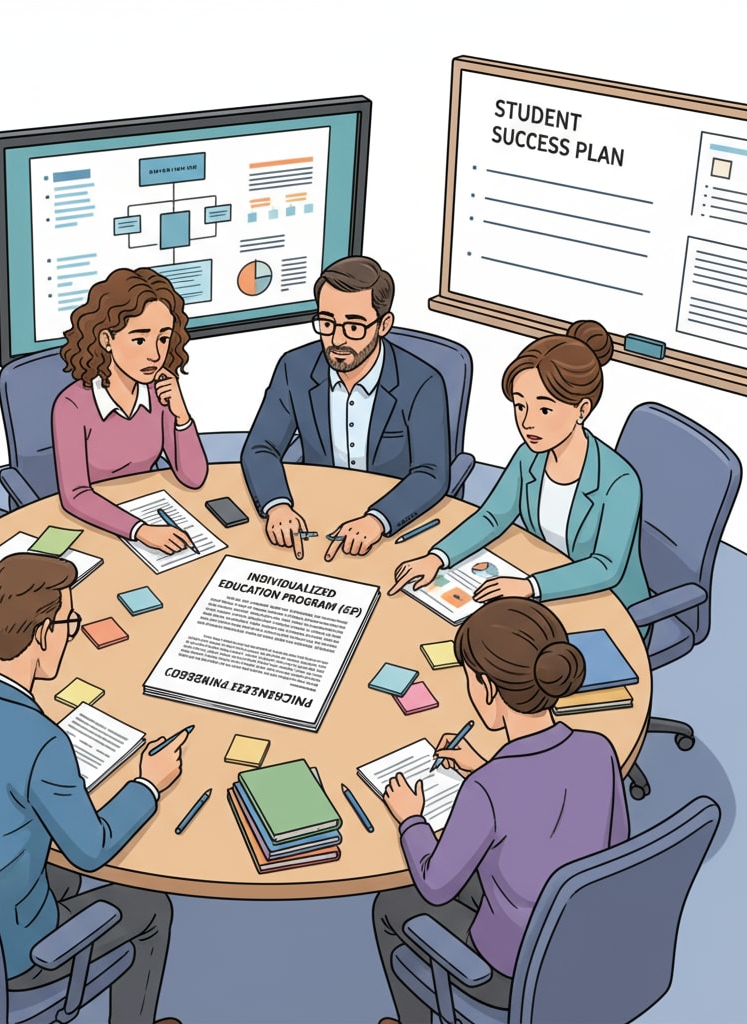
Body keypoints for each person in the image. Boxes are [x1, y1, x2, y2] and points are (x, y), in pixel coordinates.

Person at [0, 552, 185, 1024]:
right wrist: (147, 785)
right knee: (152, 907)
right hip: (12, 952)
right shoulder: (43, 740)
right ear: (42, 634)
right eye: (69, 623)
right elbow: (90, 850)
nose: (71, 634)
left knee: (58, 876)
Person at [372, 597, 629, 1023]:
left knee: (389, 905)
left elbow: (435, 887)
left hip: (512, 970)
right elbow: (614, 850)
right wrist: (488, 765)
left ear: (488, 688)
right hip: (581, 939)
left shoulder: (486, 789)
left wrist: (410, 818)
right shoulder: (599, 749)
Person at [390, 319, 649, 611]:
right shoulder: (529, 457)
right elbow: (492, 516)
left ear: (582, 409)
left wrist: (531, 586)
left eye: (545, 409)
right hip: (544, 586)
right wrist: (437, 558)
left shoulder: (619, 481)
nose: (527, 422)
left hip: (607, 604)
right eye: (520, 405)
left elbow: (605, 567)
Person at [241, 255, 450, 562]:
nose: (337, 339)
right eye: (327, 323)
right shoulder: (295, 368)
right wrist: (277, 505)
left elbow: (432, 473)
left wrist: (378, 519)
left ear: (383, 325)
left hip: (387, 529)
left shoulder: (422, 382)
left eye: (353, 326)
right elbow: (261, 446)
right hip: (315, 519)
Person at [52, 267, 208, 553]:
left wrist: (181, 415)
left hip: (148, 512)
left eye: (163, 338)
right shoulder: (72, 405)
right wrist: (140, 530)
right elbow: (74, 495)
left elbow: (194, 477)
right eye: (139, 339)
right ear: (106, 339)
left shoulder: (158, 394)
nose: (154, 354)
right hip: (95, 527)